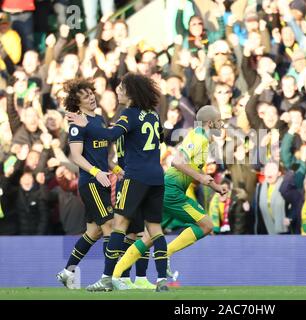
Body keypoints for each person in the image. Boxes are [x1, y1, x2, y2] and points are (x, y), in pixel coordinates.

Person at [66, 73, 169, 292]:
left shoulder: (128, 114)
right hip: (157, 177)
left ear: (131, 93)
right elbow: (160, 137)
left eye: (121, 89)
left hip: (136, 177)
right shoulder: (153, 114)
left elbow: (111, 136)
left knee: (118, 226)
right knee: (155, 230)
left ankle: (106, 279)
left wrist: (87, 125)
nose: (117, 91)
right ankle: (161, 281)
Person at [109, 105, 227, 282]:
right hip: (172, 190)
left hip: (166, 188)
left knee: (149, 237)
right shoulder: (199, 138)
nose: (221, 125)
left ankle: (114, 275)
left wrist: (215, 186)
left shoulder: (199, 137)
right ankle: (166, 254)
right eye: (219, 121)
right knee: (206, 225)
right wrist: (201, 179)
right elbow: (177, 162)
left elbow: (190, 166)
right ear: (210, 123)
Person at [56, 79, 115, 290]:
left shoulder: (99, 119)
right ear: (77, 103)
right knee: (109, 226)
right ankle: (109, 279)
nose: (91, 97)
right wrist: (97, 172)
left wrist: (115, 168)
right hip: (90, 182)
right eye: (86, 96)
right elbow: (76, 156)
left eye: (91, 93)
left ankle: (67, 271)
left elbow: (101, 152)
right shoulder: (76, 124)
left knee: (94, 231)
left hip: (103, 180)